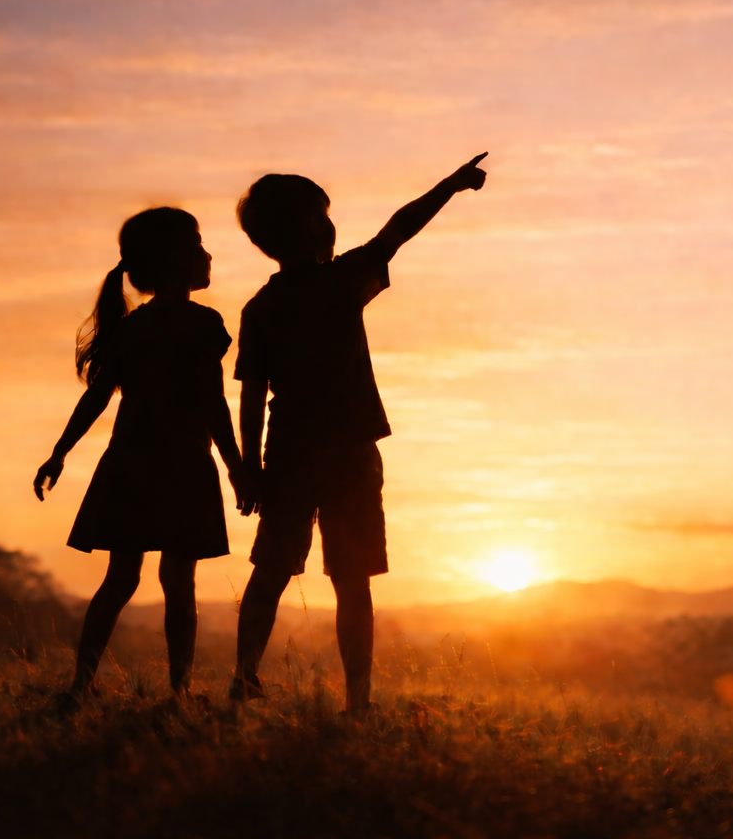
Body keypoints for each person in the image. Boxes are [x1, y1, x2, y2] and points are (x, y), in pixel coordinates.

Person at [230, 153, 488, 715]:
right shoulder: (341, 281)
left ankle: (244, 678)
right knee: (352, 580)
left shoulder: (262, 307)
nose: (331, 223)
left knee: (271, 570)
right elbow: (399, 229)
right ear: (311, 228)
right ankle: (358, 702)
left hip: (289, 451)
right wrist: (450, 183)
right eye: (324, 214)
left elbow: (251, 395)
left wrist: (249, 465)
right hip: (348, 451)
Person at [33, 207, 253, 698]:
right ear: (176, 258)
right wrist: (237, 469)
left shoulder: (130, 329)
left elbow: (96, 397)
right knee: (179, 583)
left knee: (119, 581)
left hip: (129, 464)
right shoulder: (202, 324)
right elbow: (213, 402)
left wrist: (59, 452)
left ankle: (80, 685)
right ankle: (178, 692)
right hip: (180, 465)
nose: (208, 253)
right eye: (198, 244)